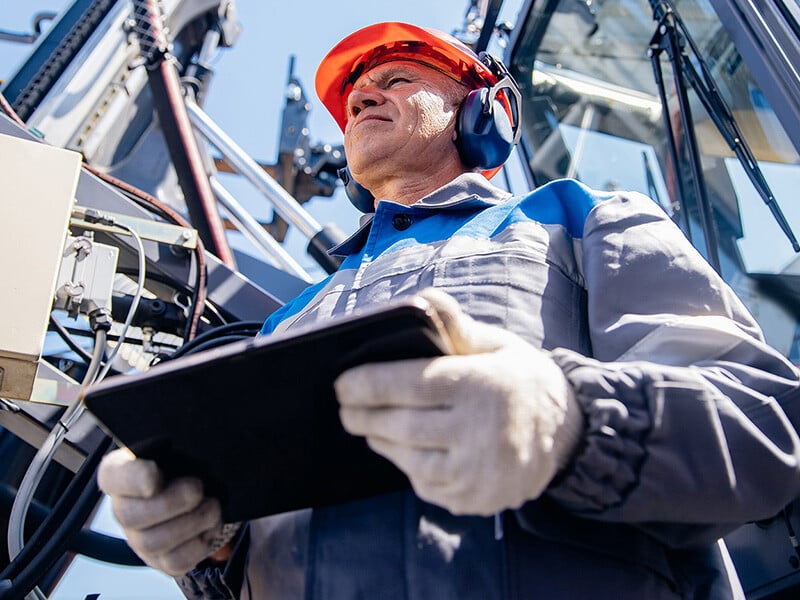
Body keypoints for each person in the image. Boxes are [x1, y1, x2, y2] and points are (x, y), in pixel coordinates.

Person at [97, 22, 800, 599]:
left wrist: (571, 421)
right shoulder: (289, 321)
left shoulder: (581, 222)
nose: (364, 98)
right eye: (354, 100)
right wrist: (209, 550)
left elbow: (766, 421)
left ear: (478, 110)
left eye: (395, 79)